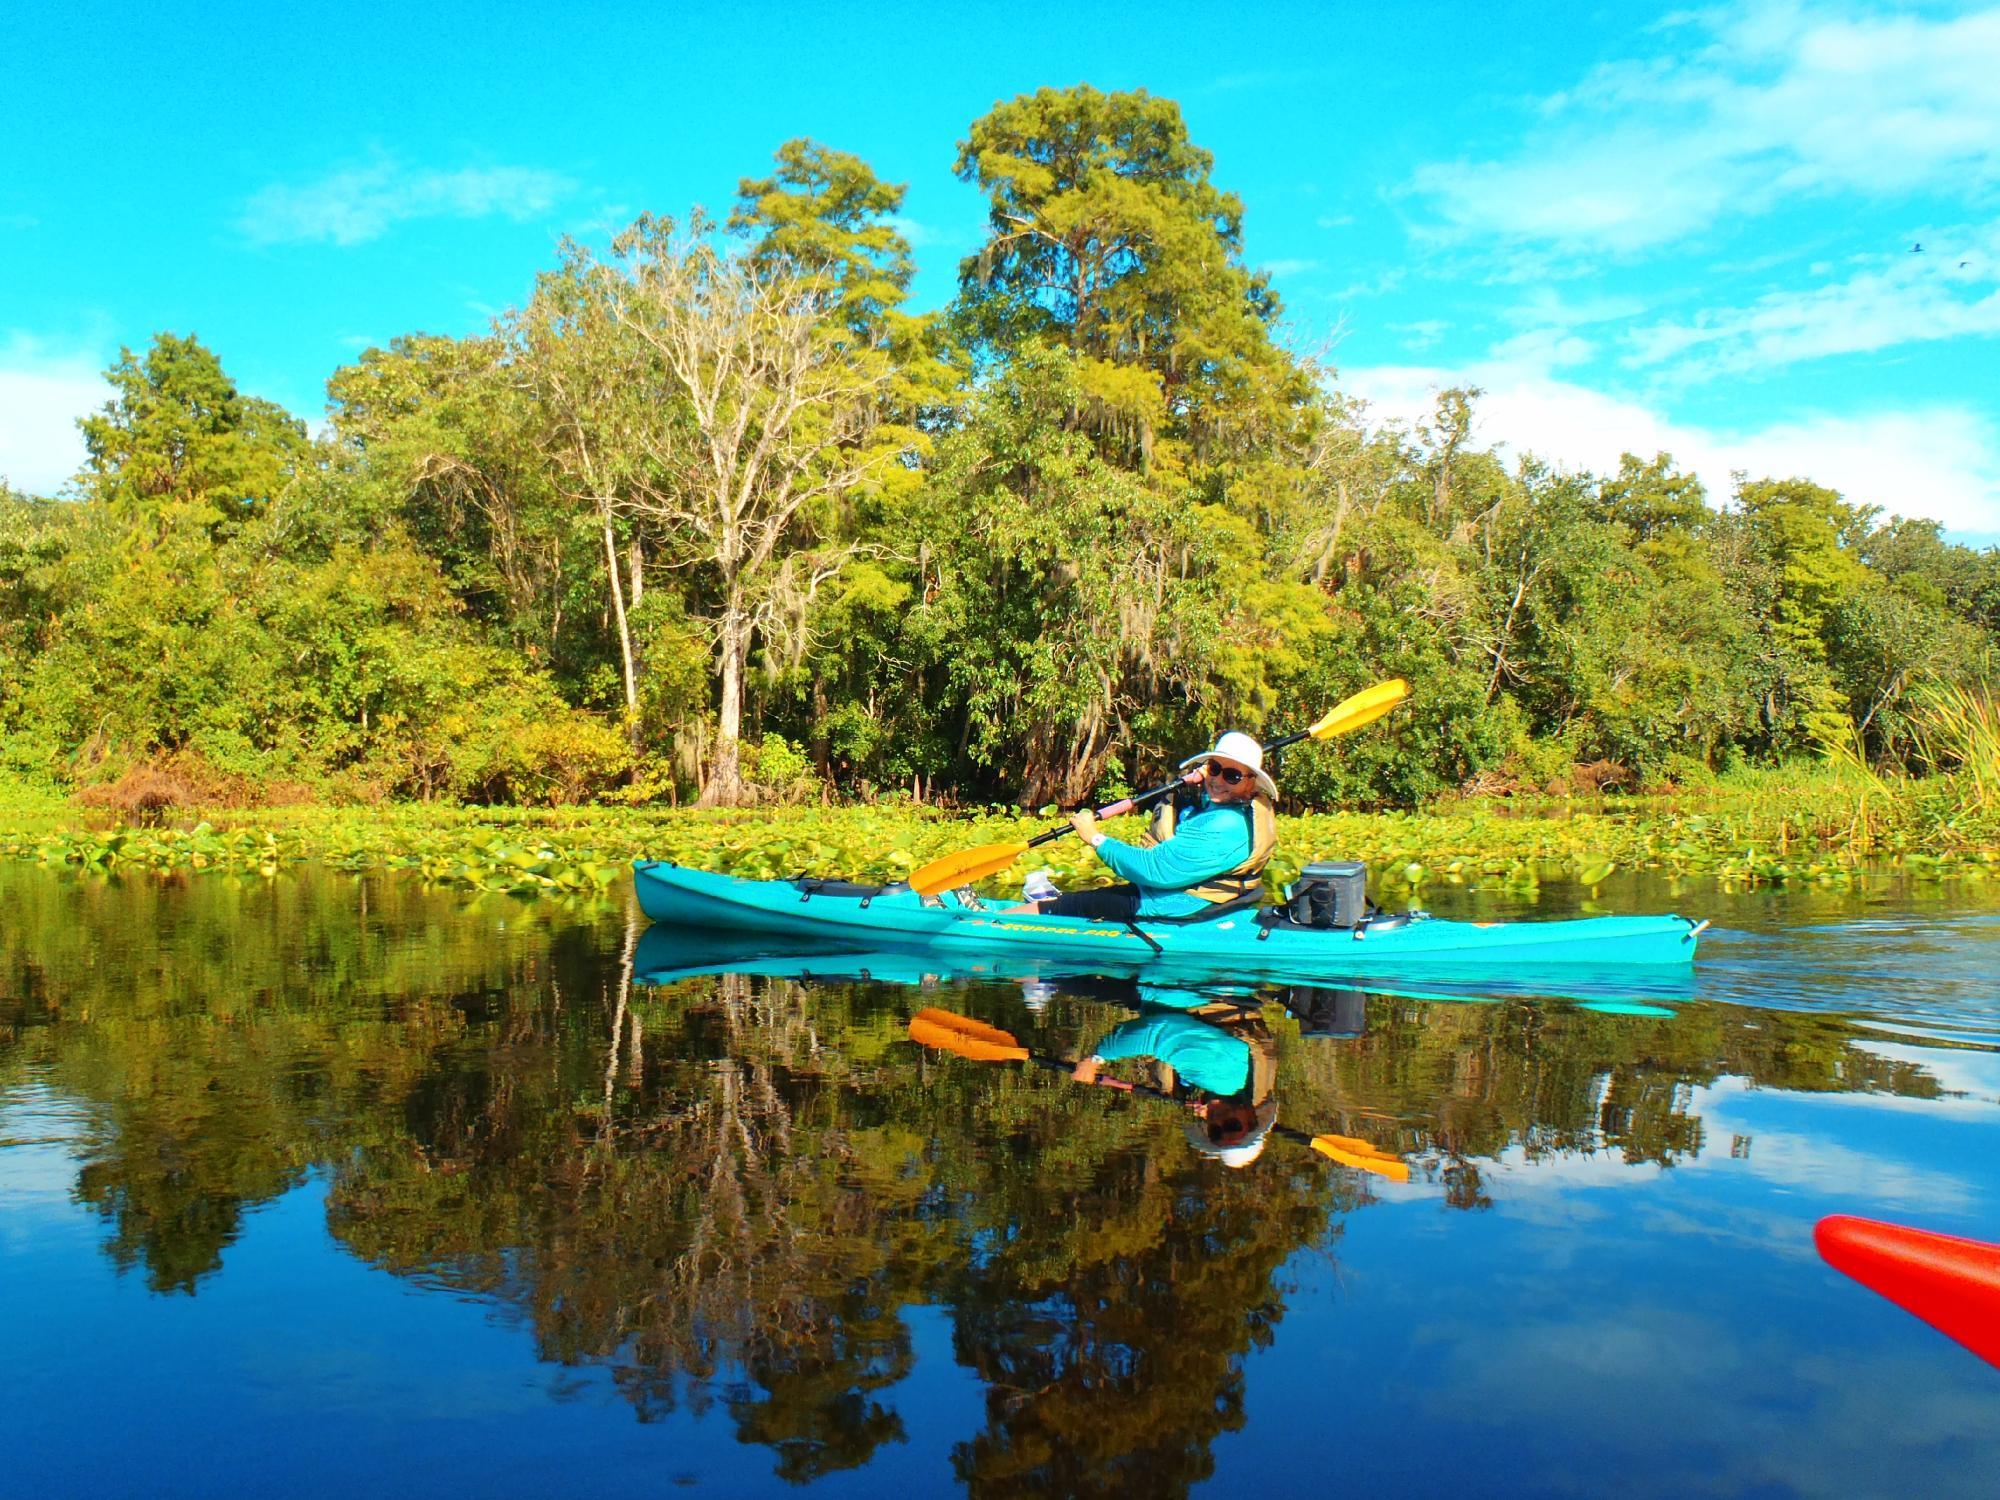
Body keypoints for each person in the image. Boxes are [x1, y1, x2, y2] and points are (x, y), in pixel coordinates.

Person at [1028, 730, 1278, 922]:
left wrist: (1095, 838)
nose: (1218, 780)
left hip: (1180, 903)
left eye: (1232, 776)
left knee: (1069, 906)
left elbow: (1155, 869)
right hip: (1190, 895)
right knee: (1101, 895)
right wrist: (1199, 776)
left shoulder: (1227, 824)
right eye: (1214, 768)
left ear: (1251, 782)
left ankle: (1001, 923)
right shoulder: (1234, 805)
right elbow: (1205, 792)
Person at [1070, 1000, 1281, 1168]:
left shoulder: (1199, 1090)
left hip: (1158, 997)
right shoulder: (1227, 1077)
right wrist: (1095, 1058)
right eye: (1232, 1126)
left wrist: (1186, 1093)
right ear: (1251, 1117)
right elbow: (1159, 1033)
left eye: (1215, 1132)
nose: (1219, 1121)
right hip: (1186, 989)